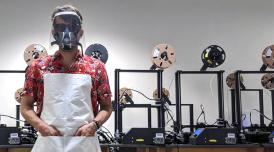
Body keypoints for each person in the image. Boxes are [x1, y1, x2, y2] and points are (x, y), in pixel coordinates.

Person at [20, 5, 112, 152]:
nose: (66, 32)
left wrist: (93, 126)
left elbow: (107, 107)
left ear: (80, 32)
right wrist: (41, 127)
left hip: (84, 143)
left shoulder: (96, 67)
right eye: (61, 27)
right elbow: (25, 107)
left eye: (72, 26)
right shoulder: (38, 67)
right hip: (49, 143)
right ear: (53, 32)